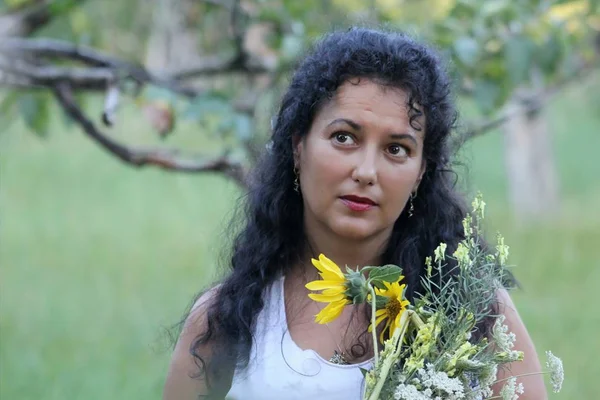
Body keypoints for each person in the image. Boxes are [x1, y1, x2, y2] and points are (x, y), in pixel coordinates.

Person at [163, 27, 546, 400]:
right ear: (298, 147)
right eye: (344, 137)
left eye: (397, 149)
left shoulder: (474, 313)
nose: (366, 171)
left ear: (420, 174)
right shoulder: (224, 321)